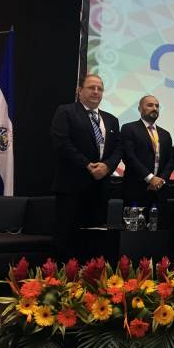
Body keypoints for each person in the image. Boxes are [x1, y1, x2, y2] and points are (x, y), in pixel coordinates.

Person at [50, 74, 122, 258]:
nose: (96, 92)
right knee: (67, 239)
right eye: (91, 87)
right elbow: (62, 144)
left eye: (100, 89)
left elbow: (118, 149)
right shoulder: (66, 112)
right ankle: (64, 276)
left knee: (95, 242)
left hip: (100, 189)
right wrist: (88, 165)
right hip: (72, 187)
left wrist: (107, 167)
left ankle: (92, 275)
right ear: (79, 90)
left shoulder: (111, 120)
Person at [120, 95, 173, 210]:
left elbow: (171, 160)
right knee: (133, 222)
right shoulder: (129, 128)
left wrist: (161, 180)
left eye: (157, 106)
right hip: (135, 189)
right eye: (150, 105)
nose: (154, 108)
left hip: (159, 191)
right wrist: (150, 178)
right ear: (140, 109)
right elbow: (129, 156)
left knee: (158, 221)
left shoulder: (165, 134)